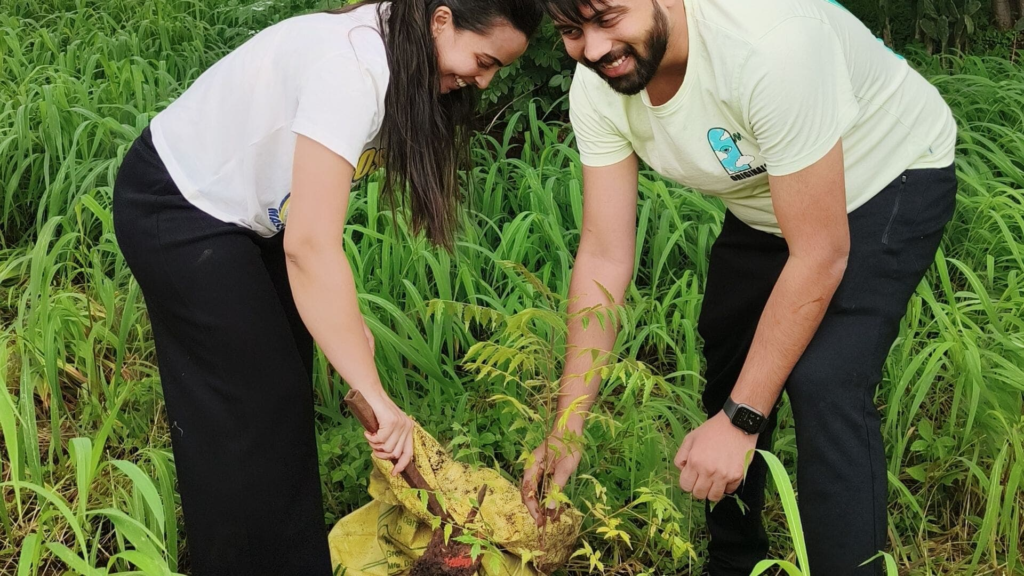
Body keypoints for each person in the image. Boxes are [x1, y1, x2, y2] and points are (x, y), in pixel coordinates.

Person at [519, 0, 957, 573]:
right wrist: (567, 427)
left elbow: (820, 252)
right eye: (572, 32)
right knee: (730, 350)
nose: (594, 49)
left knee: (824, 379)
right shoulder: (600, 84)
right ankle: (735, 562)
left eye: (607, 19)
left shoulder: (770, 43)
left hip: (886, 174)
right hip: (771, 202)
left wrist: (743, 418)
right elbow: (604, 256)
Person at [112, 0, 541, 573]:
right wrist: (380, 402)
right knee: (249, 414)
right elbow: (311, 246)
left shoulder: (398, 55)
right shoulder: (354, 69)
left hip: (248, 220)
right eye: (484, 59)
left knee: (279, 397)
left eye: (496, 70)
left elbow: (311, 232)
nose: (482, 80)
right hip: (180, 208)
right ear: (441, 20)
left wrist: (346, 324)